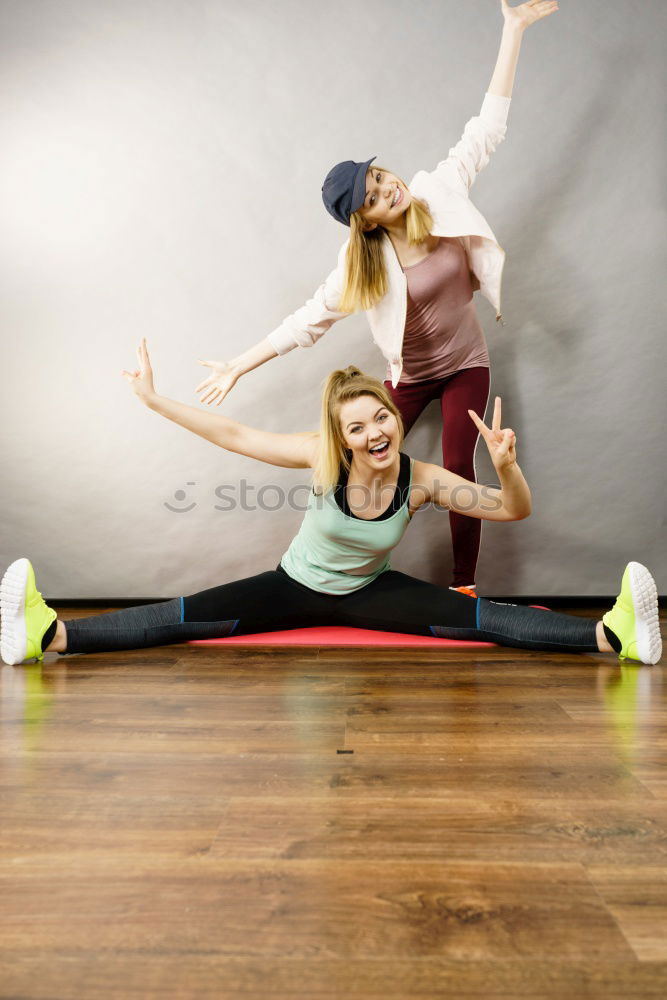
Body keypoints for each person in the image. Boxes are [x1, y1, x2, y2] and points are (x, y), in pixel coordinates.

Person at [192, 0, 560, 596]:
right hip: (411, 375)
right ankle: (333, 568)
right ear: (362, 220)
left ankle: (464, 585)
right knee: (346, 460)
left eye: (382, 175)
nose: (389, 187)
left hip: (467, 363)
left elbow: (486, 129)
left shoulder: (438, 192)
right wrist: (240, 362)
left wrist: (512, 32)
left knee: (460, 468)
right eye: (373, 193)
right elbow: (307, 321)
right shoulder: (359, 265)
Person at [0, 340, 661, 667]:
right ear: (338, 437)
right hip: (292, 586)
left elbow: (509, 508)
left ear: (392, 419)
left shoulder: (421, 477)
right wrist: (152, 399)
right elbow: (233, 433)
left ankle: (614, 636)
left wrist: (508, 468)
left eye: (381, 418)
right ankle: (47, 633)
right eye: (356, 427)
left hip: (372, 592)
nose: (374, 432)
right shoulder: (320, 458)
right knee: (184, 616)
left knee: (484, 616)